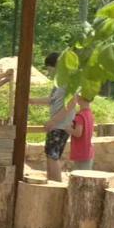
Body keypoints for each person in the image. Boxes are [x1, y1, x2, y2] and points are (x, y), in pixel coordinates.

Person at [31, 52, 76, 182]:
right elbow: (51, 100)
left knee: (52, 156)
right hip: (57, 124)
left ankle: (56, 184)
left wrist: (53, 121)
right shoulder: (58, 83)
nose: (48, 72)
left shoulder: (69, 82)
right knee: (50, 154)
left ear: (56, 65)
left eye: (49, 68)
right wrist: (32, 100)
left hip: (61, 125)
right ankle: (52, 182)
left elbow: (71, 104)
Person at [68, 95, 95, 170]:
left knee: (80, 177)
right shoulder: (89, 114)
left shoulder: (80, 116)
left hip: (80, 152)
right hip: (88, 151)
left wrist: (67, 128)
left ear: (79, 101)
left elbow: (78, 133)